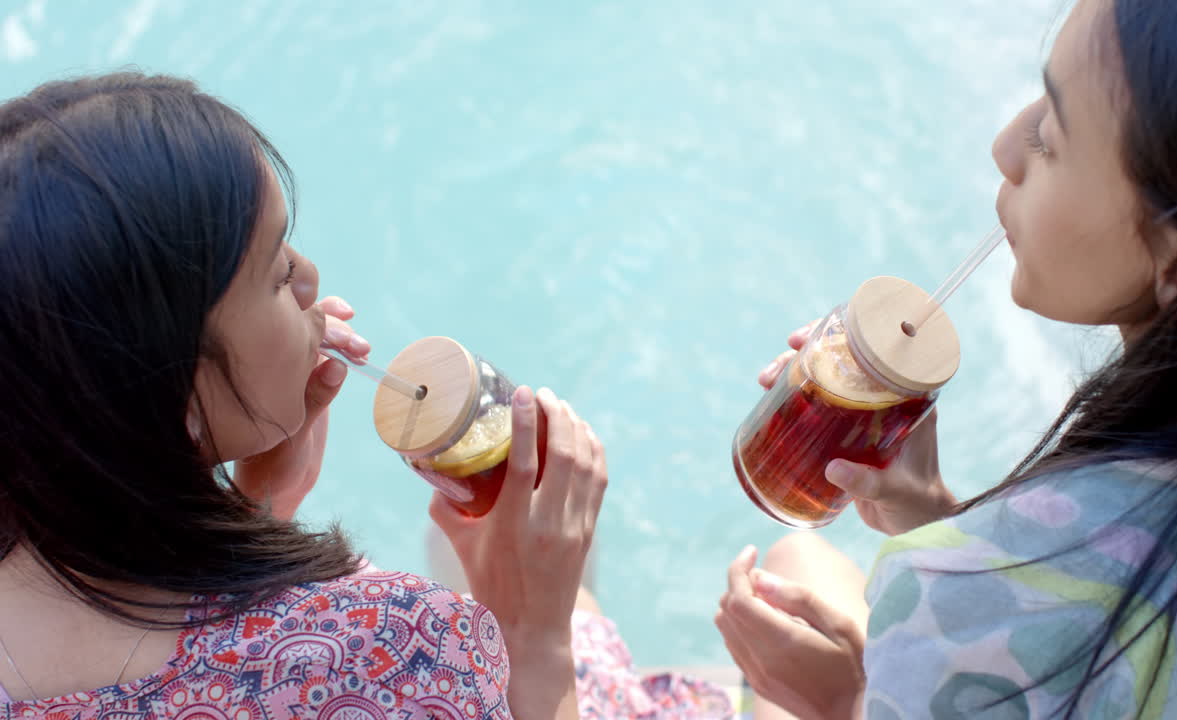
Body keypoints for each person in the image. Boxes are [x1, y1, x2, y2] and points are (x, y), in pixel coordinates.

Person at [0, 73, 728, 719]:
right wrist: (532, 633)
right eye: (279, 273)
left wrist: (255, 505)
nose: (311, 279)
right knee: (787, 575)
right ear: (180, 395)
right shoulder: (397, 650)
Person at [715, 0, 1177, 717]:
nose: (1007, 147)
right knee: (803, 561)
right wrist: (931, 518)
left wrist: (851, 700)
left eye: (1050, 137)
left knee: (791, 566)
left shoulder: (968, 592)